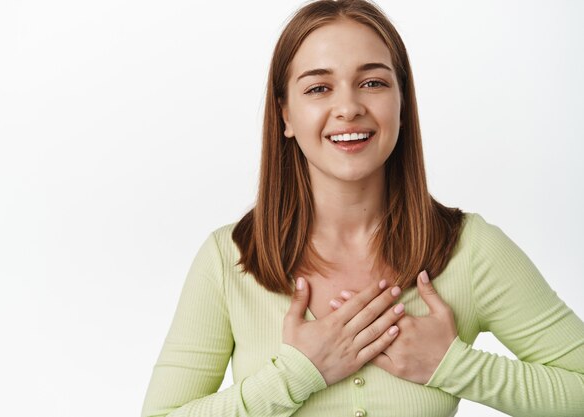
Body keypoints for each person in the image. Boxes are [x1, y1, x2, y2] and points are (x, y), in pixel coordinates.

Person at [141, 0, 584, 416]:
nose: (349, 108)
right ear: (286, 115)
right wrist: (296, 374)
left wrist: (454, 367)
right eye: (318, 88)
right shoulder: (228, 260)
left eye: (372, 82)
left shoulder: (473, 250)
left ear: (402, 103)